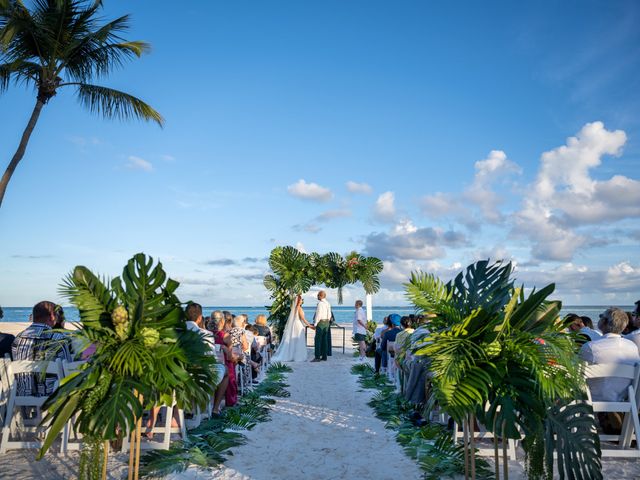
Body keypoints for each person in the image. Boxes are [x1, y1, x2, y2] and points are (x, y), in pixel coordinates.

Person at [580, 307, 640, 434]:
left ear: (605, 323)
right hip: (624, 398)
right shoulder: (632, 346)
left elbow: (578, 374)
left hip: (592, 398)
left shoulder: (590, 347)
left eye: (601, 316)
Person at [11, 301, 73, 396]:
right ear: (52, 316)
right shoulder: (57, 338)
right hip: (51, 397)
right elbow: (67, 370)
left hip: (23, 396)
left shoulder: (18, 338)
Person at [272, 294, 313, 362]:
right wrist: (310, 326)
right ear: (299, 301)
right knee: (298, 340)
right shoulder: (299, 308)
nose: (302, 300)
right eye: (301, 299)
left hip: (295, 324)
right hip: (298, 325)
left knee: (293, 340)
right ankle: (298, 357)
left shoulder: (294, 308)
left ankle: (292, 355)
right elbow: (303, 319)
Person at [311, 291, 332, 362]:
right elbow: (329, 315)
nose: (317, 297)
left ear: (320, 296)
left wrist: (315, 324)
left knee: (317, 340)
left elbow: (318, 315)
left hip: (321, 323)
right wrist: (328, 321)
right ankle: (324, 356)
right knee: (324, 340)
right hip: (326, 322)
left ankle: (317, 357)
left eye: (318, 295)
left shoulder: (320, 304)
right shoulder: (328, 303)